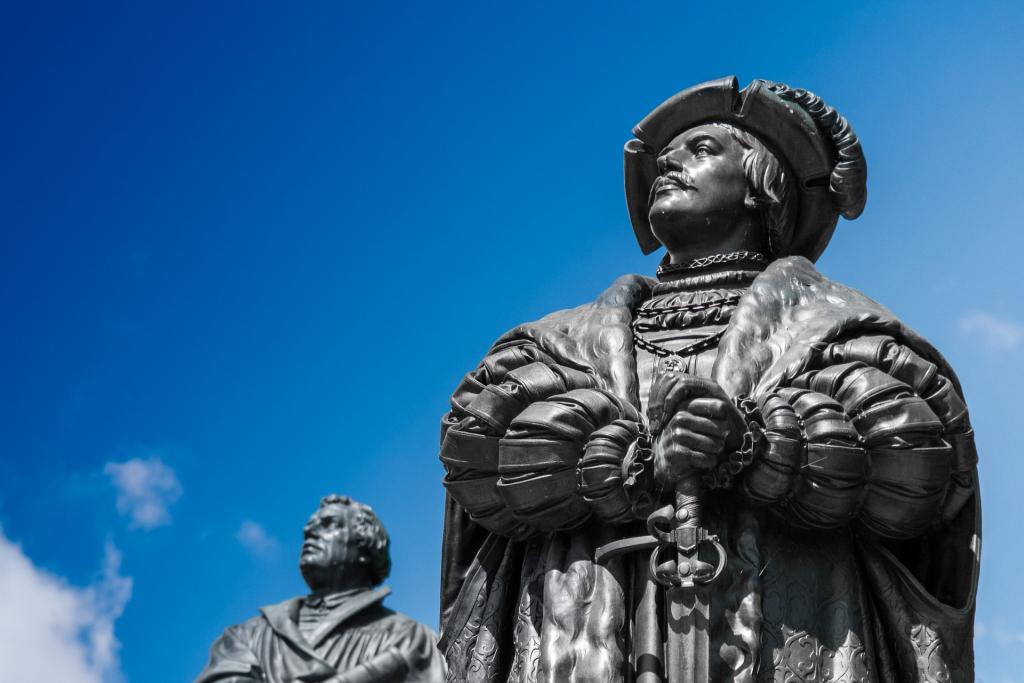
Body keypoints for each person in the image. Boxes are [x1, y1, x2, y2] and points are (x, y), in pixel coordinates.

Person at [438, 77, 979, 681]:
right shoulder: (560, 338)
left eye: (700, 150)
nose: (669, 163)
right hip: (584, 644)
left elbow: (921, 456)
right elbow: (476, 449)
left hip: (794, 639)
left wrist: (759, 444)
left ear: (761, 187)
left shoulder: (841, 328)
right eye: (665, 158)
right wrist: (628, 461)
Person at [196, 495, 445, 683]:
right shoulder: (249, 635)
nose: (310, 533)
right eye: (309, 529)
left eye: (328, 525)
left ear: (365, 543)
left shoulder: (413, 639)